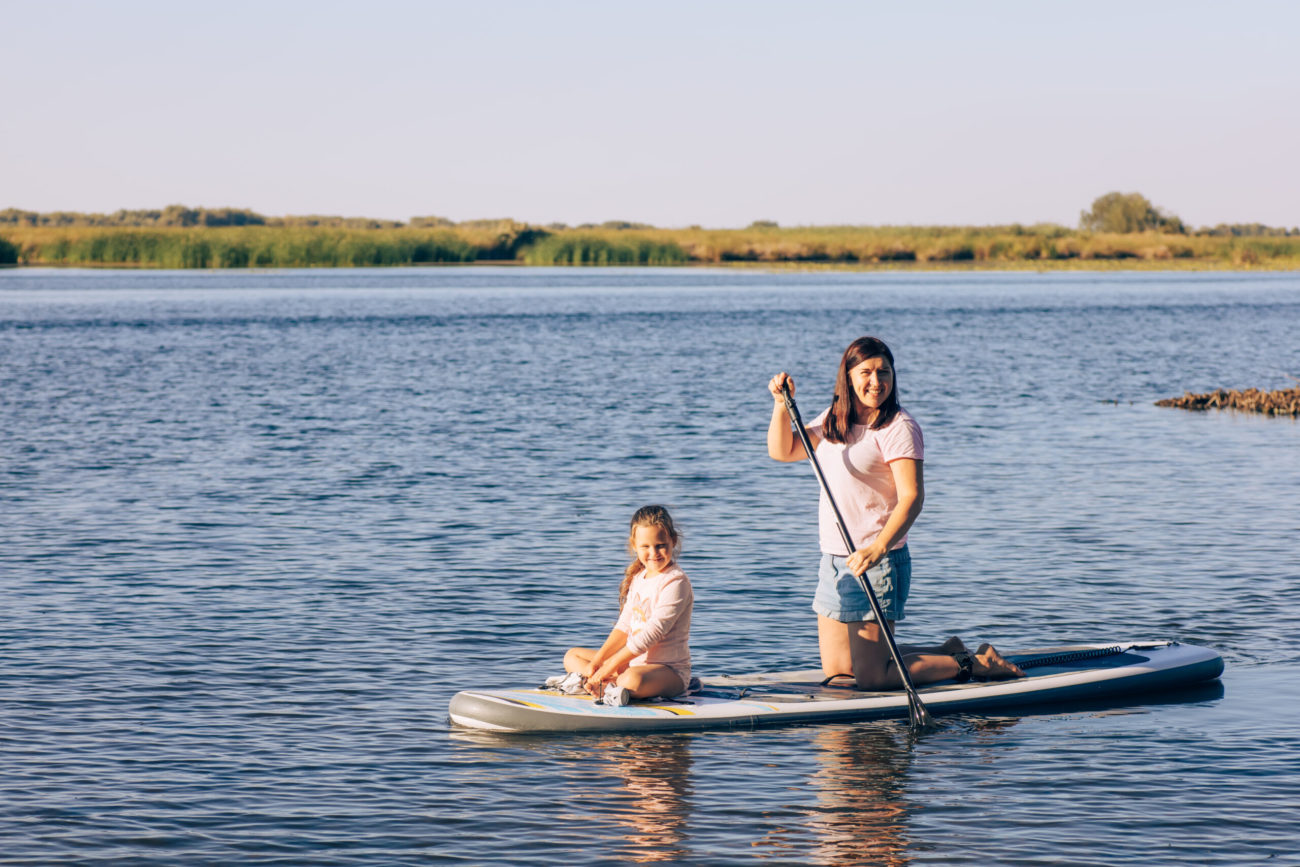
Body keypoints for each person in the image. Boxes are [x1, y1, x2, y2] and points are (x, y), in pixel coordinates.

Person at [767, 336, 1023, 690]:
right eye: (867, 372)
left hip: (877, 560)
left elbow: (912, 498)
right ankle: (946, 650)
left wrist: (878, 548)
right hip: (835, 561)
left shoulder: (898, 427)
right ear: (848, 376)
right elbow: (783, 451)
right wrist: (782, 406)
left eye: (884, 372)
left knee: (872, 678)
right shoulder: (833, 421)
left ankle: (974, 664)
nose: (876, 381)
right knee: (840, 671)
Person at [563, 505, 693, 704]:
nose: (654, 553)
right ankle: (605, 682)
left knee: (633, 680)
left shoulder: (676, 582)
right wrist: (597, 664)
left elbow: (652, 634)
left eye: (660, 545)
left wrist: (609, 665)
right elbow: (623, 627)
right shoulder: (639, 578)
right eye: (646, 546)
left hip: (668, 672)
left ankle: (608, 684)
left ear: (673, 541)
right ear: (634, 545)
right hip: (632, 663)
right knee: (572, 656)